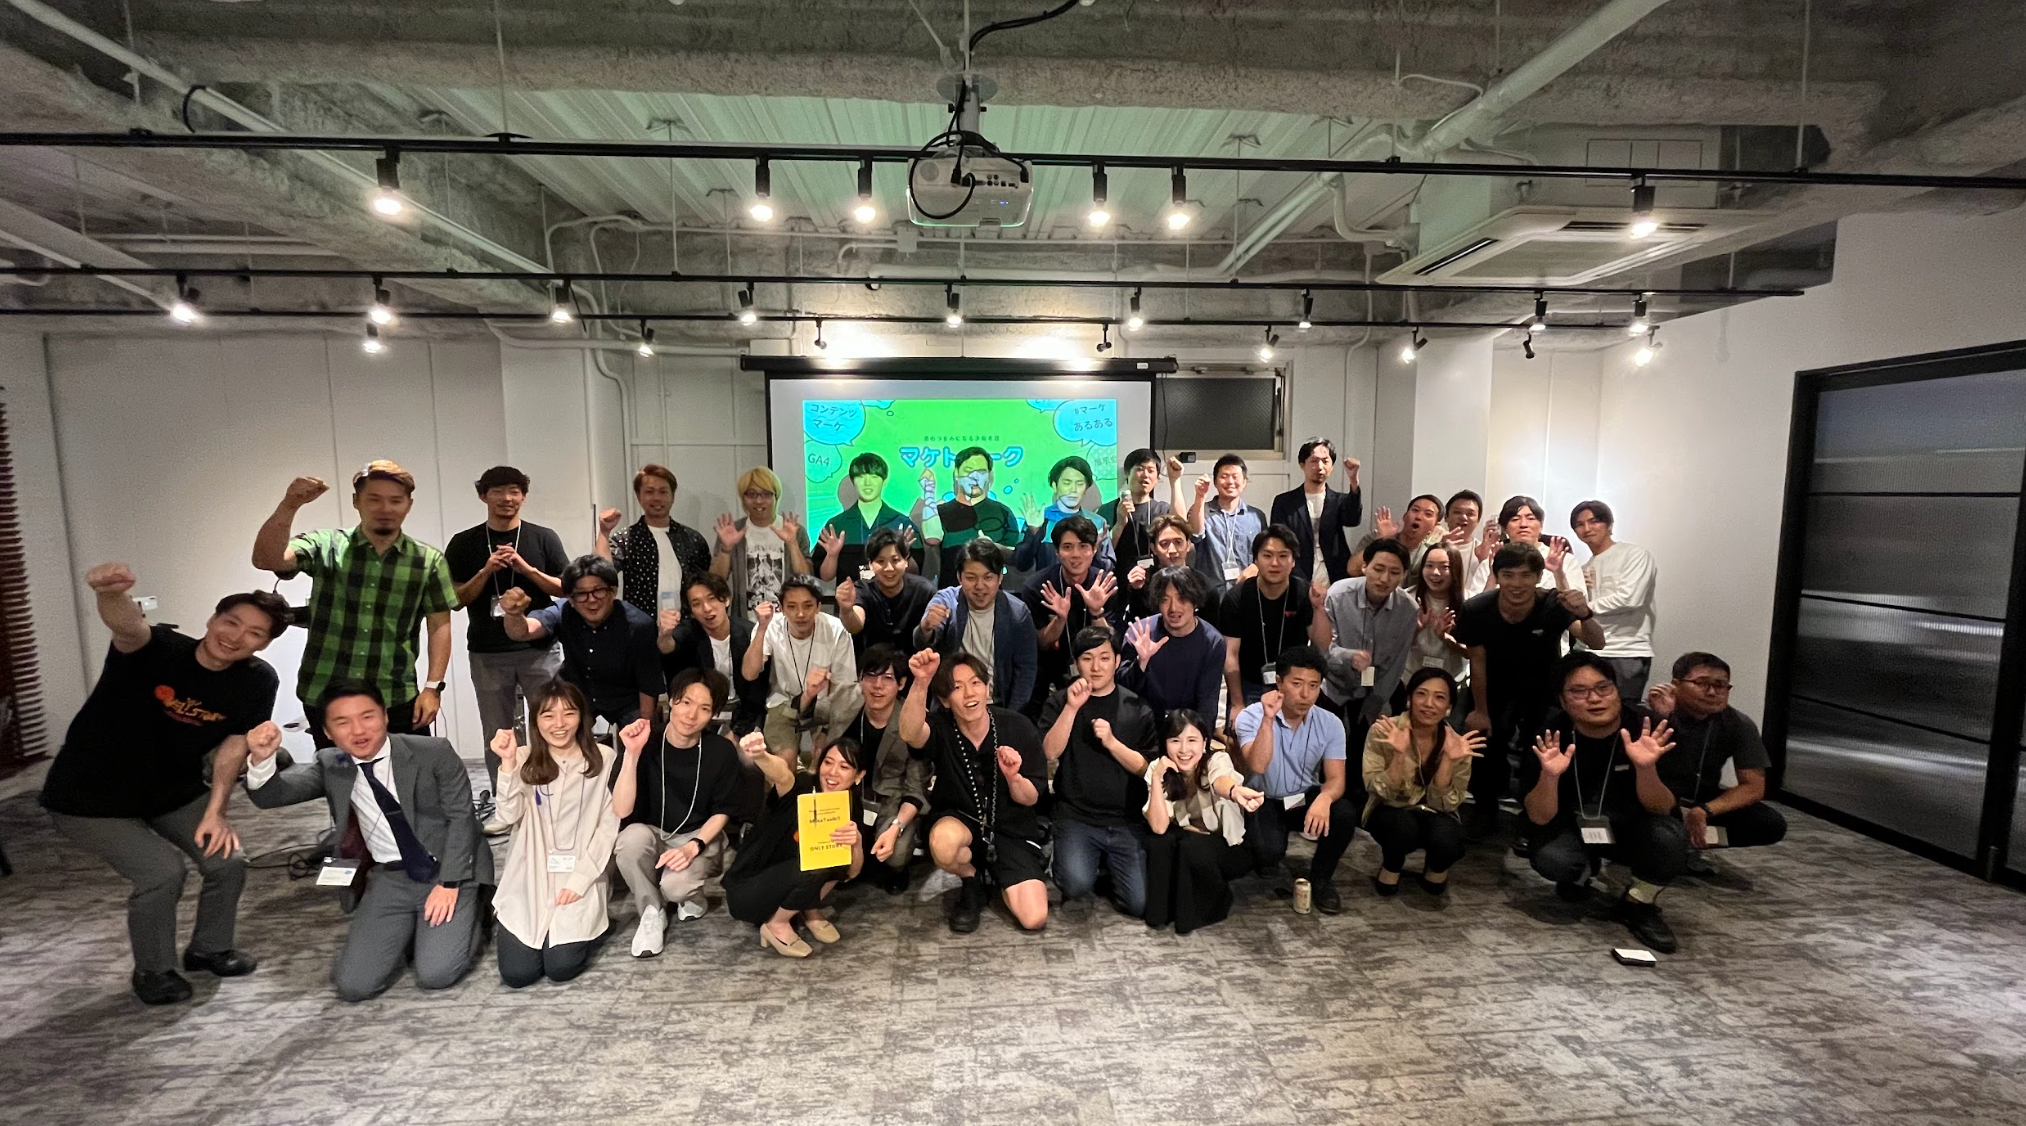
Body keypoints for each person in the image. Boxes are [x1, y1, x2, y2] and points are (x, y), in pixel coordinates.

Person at [41, 564, 285, 1005]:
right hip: (88, 796)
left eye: (254, 633)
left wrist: (217, 812)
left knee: (227, 861)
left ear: (264, 644)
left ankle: (209, 948)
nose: (235, 636)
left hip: (171, 791)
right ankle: (153, 971)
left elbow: (234, 746)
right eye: (231, 622)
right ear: (212, 619)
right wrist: (109, 593)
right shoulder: (158, 649)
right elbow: (127, 627)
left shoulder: (257, 680)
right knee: (161, 872)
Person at [243, 681, 491, 1002]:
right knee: (353, 986)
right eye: (342, 722)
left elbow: (462, 819)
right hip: (391, 876)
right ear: (327, 731)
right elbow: (272, 796)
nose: (358, 730)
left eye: (367, 716)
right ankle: (417, 930)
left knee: (436, 974)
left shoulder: (432, 752)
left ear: (384, 716)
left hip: (446, 868)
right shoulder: (333, 763)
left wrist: (450, 883)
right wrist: (262, 759)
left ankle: (474, 910)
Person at [250, 462, 456, 744]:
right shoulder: (326, 545)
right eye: (374, 499)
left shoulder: (428, 561)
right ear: (356, 501)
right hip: (325, 690)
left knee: (407, 769)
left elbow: (439, 625)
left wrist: (433, 687)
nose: (385, 508)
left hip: (394, 693)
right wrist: (290, 505)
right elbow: (267, 559)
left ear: (408, 505)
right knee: (337, 770)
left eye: (395, 500)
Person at [1524, 655, 1687, 953]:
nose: (1594, 699)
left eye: (1603, 688)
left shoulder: (1650, 729)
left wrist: (1646, 768)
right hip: (1576, 827)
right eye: (1579, 691)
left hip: (1635, 829)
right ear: (1562, 701)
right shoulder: (1550, 734)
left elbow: (1662, 807)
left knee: (1669, 838)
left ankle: (1639, 902)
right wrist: (1549, 776)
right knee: (1551, 858)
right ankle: (1583, 871)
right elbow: (1539, 816)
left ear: (1617, 691)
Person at [1451, 544, 1606, 840]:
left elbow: (1597, 642)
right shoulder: (1477, 609)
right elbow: (1477, 662)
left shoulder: (1554, 604)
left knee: (1538, 751)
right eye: (1508, 575)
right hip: (1493, 687)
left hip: (1543, 690)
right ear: (1497, 576)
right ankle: (1485, 809)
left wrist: (1585, 614)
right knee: (1485, 745)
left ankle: (1532, 816)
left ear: (1537, 577)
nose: (1517, 583)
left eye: (1525, 575)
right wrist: (1480, 710)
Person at [487, 682, 628, 988]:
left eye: (569, 713)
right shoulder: (523, 757)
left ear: (582, 717)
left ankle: (597, 926)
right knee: (518, 974)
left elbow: (608, 829)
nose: (559, 724)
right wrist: (507, 763)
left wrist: (580, 881)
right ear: (535, 720)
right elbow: (506, 817)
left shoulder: (603, 759)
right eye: (548, 715)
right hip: (529, 878)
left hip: (580, 872)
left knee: (561, 968)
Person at [900, 649, 1050, 934]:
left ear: (987, 689)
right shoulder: (942, 726)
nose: (970, 693)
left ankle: (1001, 874)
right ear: (945, 700)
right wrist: (920, 682)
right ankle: (972, 879)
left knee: (1034, 918)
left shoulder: (1017, 726)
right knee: (943, 842)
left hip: (1011, 828)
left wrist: (1014, 778)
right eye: (957, 687)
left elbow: (1031, 797)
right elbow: (910, 733)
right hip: (961, 820)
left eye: (976, 683)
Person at [443, 465, 568, 793]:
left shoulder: (543, 537)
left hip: (540, 649)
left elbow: (565, 589)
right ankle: (508, 798)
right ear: (483, 496)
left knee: (552, 725)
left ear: (523, 497)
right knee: (499, 733)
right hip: (488, 652)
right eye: (497, 491)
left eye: (514, 491)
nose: (506, 498)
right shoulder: (464, 543)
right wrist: (485, 571)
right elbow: (455, 600)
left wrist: (527, 570)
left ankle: (554, 795)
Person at [611, 669, 745, 955]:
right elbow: (621, 809)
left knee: (675, 887)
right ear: (671, 700)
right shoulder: (646, 741)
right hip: (652, 833)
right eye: (685, 702)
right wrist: (632, 754)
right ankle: (652, 911)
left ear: (713, 714)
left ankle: (690, 895)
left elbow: (723, 811)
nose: (691, 714)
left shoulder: (720, 751)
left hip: (698, 834)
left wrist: (694, 846)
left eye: (704, 708)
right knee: (628, 840)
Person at [1039, 627, 1160, 917]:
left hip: (1125, 819)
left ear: (1117, 661)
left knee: (1139, 904)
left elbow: (1146, 767)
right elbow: (1049, 752)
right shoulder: (1060, 701)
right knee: (1075, 885)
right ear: (1076, 663)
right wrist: (1071, 709)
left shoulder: (1136, 706)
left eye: (1104, 658)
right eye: (1087, 658)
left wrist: (1112, 743)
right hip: (1076, 816)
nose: (1096, 667)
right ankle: (1072, 857)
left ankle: (1105, 865)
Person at [1232, 647, 1357, 913]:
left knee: (1344, 813)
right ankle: (1266, 853)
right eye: (1297, 684)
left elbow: (1336, 779)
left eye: (1313, 686)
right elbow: (1257, 765)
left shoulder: (1331, 723)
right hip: (1262, 798)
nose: (1305, 694)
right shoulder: (1251, 715)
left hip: (1302, 797)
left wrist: (1325, 798)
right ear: (1279, 682)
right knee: (1268, 852)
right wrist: (1268, 720)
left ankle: (1321, 879)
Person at [723, 733, 867, 958]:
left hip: (789, 881)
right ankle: (776, 924)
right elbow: (782, 775)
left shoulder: (849, 805)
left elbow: (852, 872)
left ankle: (807, 908)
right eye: (828, 762)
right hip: (749, 890)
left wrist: (856, 843)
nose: (832, 772)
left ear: (858, 776)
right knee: (816, 863)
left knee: (838, 859)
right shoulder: (801, 786)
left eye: (844, 767)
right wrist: (761, 756)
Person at [1647, 652, 1788, 859]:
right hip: (1652, 798)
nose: (1712, 692)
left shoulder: (1738, 723)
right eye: (1701, 683)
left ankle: (1686, 844)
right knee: (1660, 837)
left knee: (1769, 823)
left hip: (1698, 798)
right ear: (1675, 685)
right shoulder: (1650, 714)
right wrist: (1667, 718)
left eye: (1720, 685)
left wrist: (1706, 810)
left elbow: (1753, 787)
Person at [1141, 709, 1266, 934]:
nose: (1184, 749)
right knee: (1159, 842)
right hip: (1188, 835)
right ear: (1165, 744)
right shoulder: (1157, 768)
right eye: (1175, 741)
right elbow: (1159, 827)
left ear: (1205, 742)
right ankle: (1160, 912)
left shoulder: (1217, 759)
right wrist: (1158, 777)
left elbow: (1220, 780)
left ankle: (1208, 907)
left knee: (1191, 846)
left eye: (1192, 740)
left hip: (1226, 845)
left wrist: (1234, 791)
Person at [1361, 669, 1485, 896]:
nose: (1429, 704)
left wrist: (1448, 760)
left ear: (1449, 706)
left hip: (1437, 811)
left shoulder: (1457, 744)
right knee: (1402, 829)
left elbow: (1449, 804)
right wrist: (1399, 755)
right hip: (1391, 808)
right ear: (1409, 699)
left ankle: (1436, 867)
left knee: (1449, 841)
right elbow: (1377, 790)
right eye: (1421, 694)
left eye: (1439, 697)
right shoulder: (1384, 730)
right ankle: (1392, 864)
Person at [501, 555, 664, 727]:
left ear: (613, 591)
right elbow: (523, 632)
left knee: (641, 734)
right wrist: (513, 614)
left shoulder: (639, 625)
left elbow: (648, 683)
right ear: (570, 598)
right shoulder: (564, 611)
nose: (591, 599)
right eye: (581, 594)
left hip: (626, 696)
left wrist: (644, 726)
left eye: (599, 590)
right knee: (557, 727)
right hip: (578, 691)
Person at [827, 644, 929, 894]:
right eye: (870, 676)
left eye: (887, 678)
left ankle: (898, 869)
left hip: (891, 799)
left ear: (901, 684)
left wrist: (897, 828)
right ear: (860, 679)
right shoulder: (845, 703)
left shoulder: (913, 721)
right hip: (847, 793)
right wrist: (809, 695)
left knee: (896, 854)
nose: (877, 686)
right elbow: (810, 715)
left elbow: (916, 789)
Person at [745, 575, 860, 764]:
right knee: (784, 762)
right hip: (783, 702)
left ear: (818, 606)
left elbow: (844, 688)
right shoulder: (769, 627)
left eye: (807, 606)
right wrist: (761, 629)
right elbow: (749, 673)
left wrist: (826, 732)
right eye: (791, 606)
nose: (800, 614)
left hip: (825, 705)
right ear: (781, 608)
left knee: (826, 760)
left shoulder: (836, 630)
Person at [913, 539, 1038, 711]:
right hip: (950, 705)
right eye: (971, 578)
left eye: (988, 577)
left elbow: (1026, 669)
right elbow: (922, 643)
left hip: (996, 705)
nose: (980, 586)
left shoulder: (1017, 613)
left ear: (1000, 578)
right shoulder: (946, 600)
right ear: (959, 577)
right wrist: (926, 628)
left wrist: (1011, 714)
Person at [1219, 525, 1332, 714]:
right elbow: (1230, 655)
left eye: (1283, 556)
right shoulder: (1237, 598)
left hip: (1294, 684)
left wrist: (1319, 608)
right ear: (1255, 559)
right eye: (1267, 555)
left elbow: (1322, 645)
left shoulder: (1303, 593)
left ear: (1293, 561)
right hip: (1249, 683)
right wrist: (1237, 703)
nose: (1275, 563)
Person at [1321, 538, 1420, 731]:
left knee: (1364, 742)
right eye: (1378, 569)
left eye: (1394, 573)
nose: (1384, 579)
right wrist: (1349, 657)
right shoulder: (1337, 595)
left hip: (1372, 690)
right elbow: (1323, 648)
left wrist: (1377, 699)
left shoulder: (1408, 609)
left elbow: (1396, 664)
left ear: (1404, 575)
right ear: (1365, 567)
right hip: (1333, 684)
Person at [1025, 515, 1124, 709]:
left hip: (1098, 675)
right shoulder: (1038, 587)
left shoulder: (1105, 584)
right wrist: (1060, 619)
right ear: (1057, 551)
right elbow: (1041, 644)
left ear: (1094, 549)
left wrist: (1096, 612)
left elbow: (1112, 642)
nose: (1076, 554)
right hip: (1051, 679)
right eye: (1068, 547)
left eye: (1083, 546)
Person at [597, 463, 713, 621]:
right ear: (639, 496)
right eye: (649, 492)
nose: (657, 498)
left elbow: (708, 584)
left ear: (672, 496)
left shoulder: (693, 539)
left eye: (663, 492)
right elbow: (602, 574)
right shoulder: (625, 539)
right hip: (642, 626)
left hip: (688, 626)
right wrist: (604, 533)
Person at [659, 571, 768, 736]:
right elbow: (668, 649)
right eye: (696, 604)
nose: (707, 608)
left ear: (726, 599)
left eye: (712, 599)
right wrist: (664, 634)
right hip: (700, 713)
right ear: (691, 611)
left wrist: (741, 730)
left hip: (742, 712)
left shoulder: (748, 632)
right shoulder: (687, 633)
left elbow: (757, 689)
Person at [1570, 499, 1658, 701]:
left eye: (1594, 521)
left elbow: (1629, 599)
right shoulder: (1585, 566)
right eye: (1580, 524)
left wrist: (1582, 608)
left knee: (1623, 709)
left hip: (1625, 651)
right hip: (1589, 649)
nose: (1587, 528)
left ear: (1609, 524)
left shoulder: (1634, 555)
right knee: (1587, 709)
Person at [1118, 566, 1227, 723]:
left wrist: (1201, 736)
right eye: (1165, 600)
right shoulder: (1139, 633)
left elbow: (1207, 703)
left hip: (1187, 725)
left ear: (1195, 601)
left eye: (1181, 599)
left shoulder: (1212, 642)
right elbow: (1123, 691)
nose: (1173, 608)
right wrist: (1141, 663)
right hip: (1143, 723)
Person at [712, 466, 813, 616]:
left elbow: (807, 578)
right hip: (746, 620)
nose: (759, 501)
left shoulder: (794, 531)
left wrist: (792, 544)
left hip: (788, 620)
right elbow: (715, 581)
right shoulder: (734, 531)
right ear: (743, 498)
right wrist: (726, 549)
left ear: (776, 497)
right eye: (751, 494)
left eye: (766, 494)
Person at [920, 445, 1022, 586]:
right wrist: (929, 493)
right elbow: (932, 538)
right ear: (956, 474)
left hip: (990, 592)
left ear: (989, 475)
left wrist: (994, 548)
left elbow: (1016, 556)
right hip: (950, 592)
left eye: (981, 472)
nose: (975, 477)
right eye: (968, 471)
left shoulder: (1003, 512)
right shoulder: (941, 511)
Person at [1268, 438, 1363, 585]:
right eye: (1314, 461)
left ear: (1332, 466)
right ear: (1302, 464)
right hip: (1298, 574)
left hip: (1334, 574)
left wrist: (1353, 480)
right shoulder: (1284, 502)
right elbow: (1280, 541)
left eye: (1325, 461)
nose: (1319, 467)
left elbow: (1353, 520)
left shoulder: (1339, 501)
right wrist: (1299, 580)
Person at [813, 451, 920, 582]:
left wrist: (903, 554)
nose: (867, 482)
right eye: (861, 477)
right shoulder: (837, 525)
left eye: (874, 477)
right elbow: (825, 576)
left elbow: (915, 573)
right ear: (853, 481)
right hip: (850, 594)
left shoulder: (902, 524)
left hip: (891, 595)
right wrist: (832, 555)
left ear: (884, 481)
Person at [836, 527, 936, 657]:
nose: (889, 568)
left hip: (915, 665)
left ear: (906, 561)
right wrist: (846, 610)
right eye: (880, 561)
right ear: (870, 564)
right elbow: (855, 626)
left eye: (895, 560)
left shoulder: (924, 591)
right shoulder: (862, 589)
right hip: (871, 666)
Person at [1464, 495, 1587, 598]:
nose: (1523, 524)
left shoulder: (1565, 561)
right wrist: (1493, 576)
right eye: (1515, 519)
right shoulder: (1490, 563)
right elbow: (1476, 607)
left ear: (1541, 526)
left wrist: (1558, 574)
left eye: (1530, 518)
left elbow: (1579, 604)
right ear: (1504, 528)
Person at [1185, 454, 1268, 595]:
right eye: (1224, 476)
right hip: (1210, 594)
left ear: (1244, 482)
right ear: (1215, 482)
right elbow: (1195, 534)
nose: (1230, 482)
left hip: (1247, 592)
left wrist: (1256, 566)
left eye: (1235, 477)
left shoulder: (1256, 516)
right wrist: (1200, 496)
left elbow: (1265, 551)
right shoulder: (1200, 510)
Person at [1014, 455, 1110, 572]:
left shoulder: (1098, 523)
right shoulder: (1039, 519)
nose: (1073, 489)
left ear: (1086, 488)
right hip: (1047, 583)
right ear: (1054, 486)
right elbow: (1021, 565)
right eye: (1067, 483)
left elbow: (1107, 567)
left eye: (1079, 484)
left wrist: (1096, 549)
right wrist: (1033, 532)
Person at [1102, 449, 1188, 565]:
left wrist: (1175, 480)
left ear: (1157, 478)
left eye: (1151, 470)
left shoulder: (1162, 509)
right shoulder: (1108, 509)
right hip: (1117, 575)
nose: (1145, 475)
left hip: (1158, 574)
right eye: (1139, 469)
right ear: (1127, 473)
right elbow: (1100, 553)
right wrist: (1119, 524)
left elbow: (1181, 527)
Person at [1117, 512, 1205, 622]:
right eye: (1164, 544)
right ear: (1153, 548)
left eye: (1178, 542)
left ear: (1188, 545)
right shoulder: (1143, 582)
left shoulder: (1204, 585)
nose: (1172, 550)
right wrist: (1136, 591)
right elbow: (1137, 623)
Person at [1406, 543, 1470, 690]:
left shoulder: (1468, 604)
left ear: (1455, 570)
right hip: (1409, 680)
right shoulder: (1407, 599)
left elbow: (1473, 654)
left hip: (1452, 682)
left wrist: (1447, 639)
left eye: (1444, 567)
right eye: (1429, 565)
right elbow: (1391, 647)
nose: (1435, 572)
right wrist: (1415, 630)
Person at [1353, 493, 1444, 573]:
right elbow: (1352, 570)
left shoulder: (1428, 555)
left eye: (1428, 514)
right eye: (1415, 510)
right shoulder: (1374, 538)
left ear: (1435, 527)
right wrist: (1383, 540)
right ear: (1405, 516)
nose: (1418, 516)